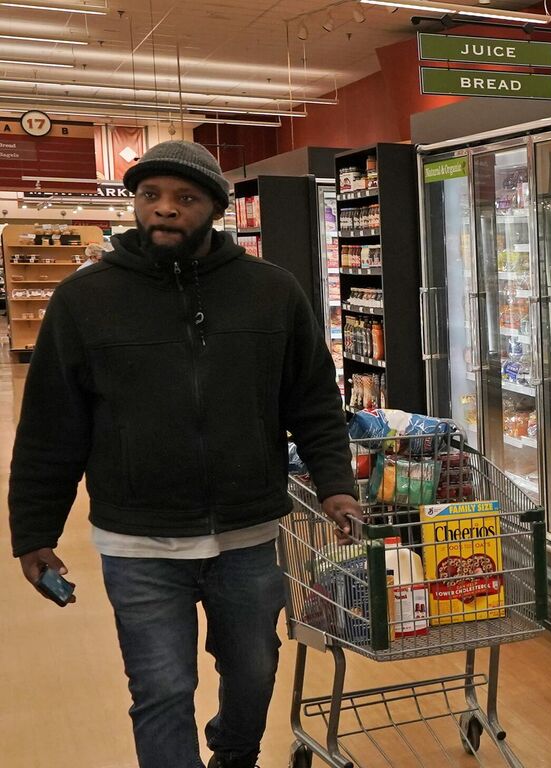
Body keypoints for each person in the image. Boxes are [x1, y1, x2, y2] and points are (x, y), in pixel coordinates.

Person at [8, 140, 361, 768]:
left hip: (247, 534)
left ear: (217, 209)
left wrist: (335, 484)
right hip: (138, 541)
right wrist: (34, 529)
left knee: (253, 674)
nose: (164, 210)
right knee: (162, 690)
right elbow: (51, 427)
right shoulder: (85, 300)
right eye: (150, 196)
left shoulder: (272, 293)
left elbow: (312, 399)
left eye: (184, 198)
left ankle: (233, 752)